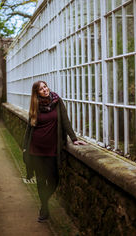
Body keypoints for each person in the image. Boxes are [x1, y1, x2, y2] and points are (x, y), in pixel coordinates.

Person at [23, 80, 86, 222]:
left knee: (54, 180)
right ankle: (44, 208)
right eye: (41, 89)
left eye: (45, 87)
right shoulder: (35, 106)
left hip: (52, 148)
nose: (45, 90)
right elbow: (29, 128)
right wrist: (25, 146)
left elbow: (65, 121)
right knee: (40, 180)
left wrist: (74, 138)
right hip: (36, 149)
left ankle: (43, 201)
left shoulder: (57, 101)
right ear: (37, 93)